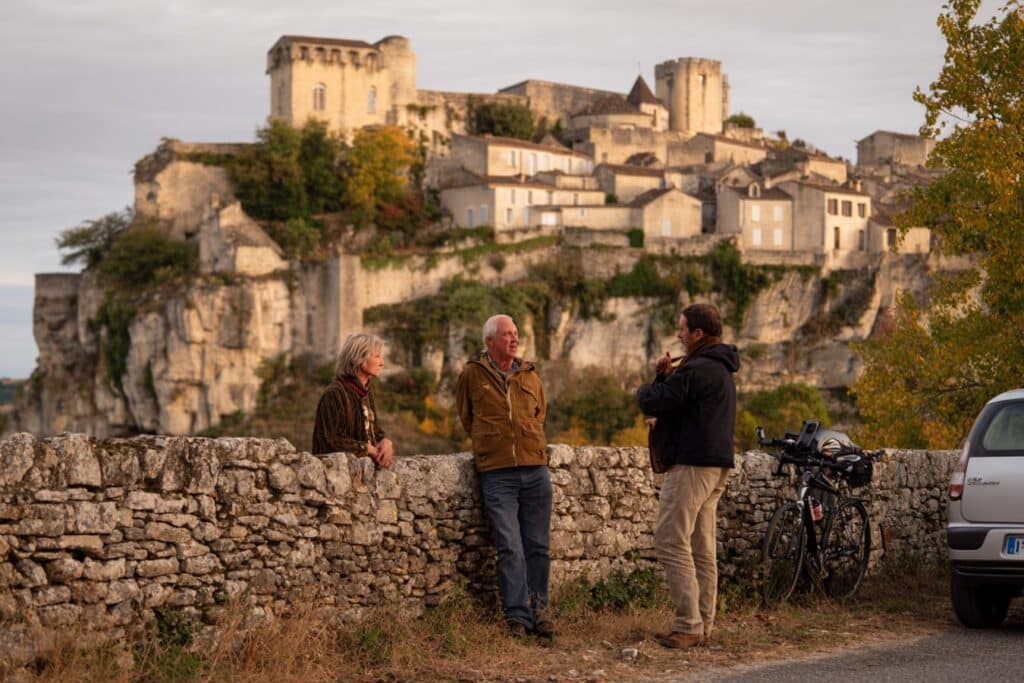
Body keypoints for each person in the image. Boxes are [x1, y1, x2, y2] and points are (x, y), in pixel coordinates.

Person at [636, 303, 739, 649]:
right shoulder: (719, 367)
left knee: (669, 539)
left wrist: (646, 386)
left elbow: (655, 402)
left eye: (682, 329)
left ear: (697, 334)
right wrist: (668, 375)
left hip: (693, 465)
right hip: (717, 465)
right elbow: (676, 398)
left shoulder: (696, 369)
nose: (678, 335)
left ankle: (689, 623)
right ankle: (704, 624)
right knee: (701, 547)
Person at [456, 314, 552, 639]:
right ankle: (517, 617)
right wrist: (492, 446)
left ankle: (541, 612)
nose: (514, 338)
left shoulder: (530, 375)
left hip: (535, 469)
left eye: (515, 333)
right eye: (507, 334)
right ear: (490, 342)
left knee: (538, 546)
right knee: (510, 546)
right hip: (497, 474)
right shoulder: (472, 375)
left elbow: (540, 413)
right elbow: (466, 417)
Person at [312, 333, 395, 468]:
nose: (382, 363)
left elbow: (372, 429)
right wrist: (367, 449)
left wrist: (385, 442)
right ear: (359, 359)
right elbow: (329, 439)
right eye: (377, 356)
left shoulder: (365, 392)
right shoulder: (334, 394)